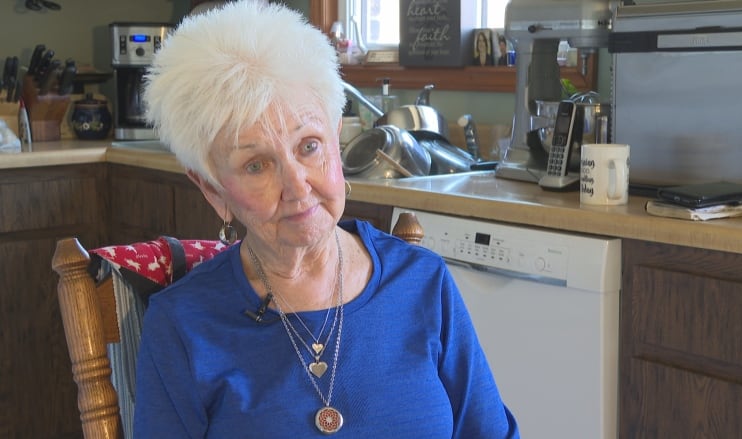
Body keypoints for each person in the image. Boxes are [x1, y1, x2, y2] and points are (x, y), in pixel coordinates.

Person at [135, 1, 520, 437]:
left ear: (337, 141)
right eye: (256, 165)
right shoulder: (182, 324)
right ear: (212, 189)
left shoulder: (422, 283)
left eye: (309, 146)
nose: (298, 187)